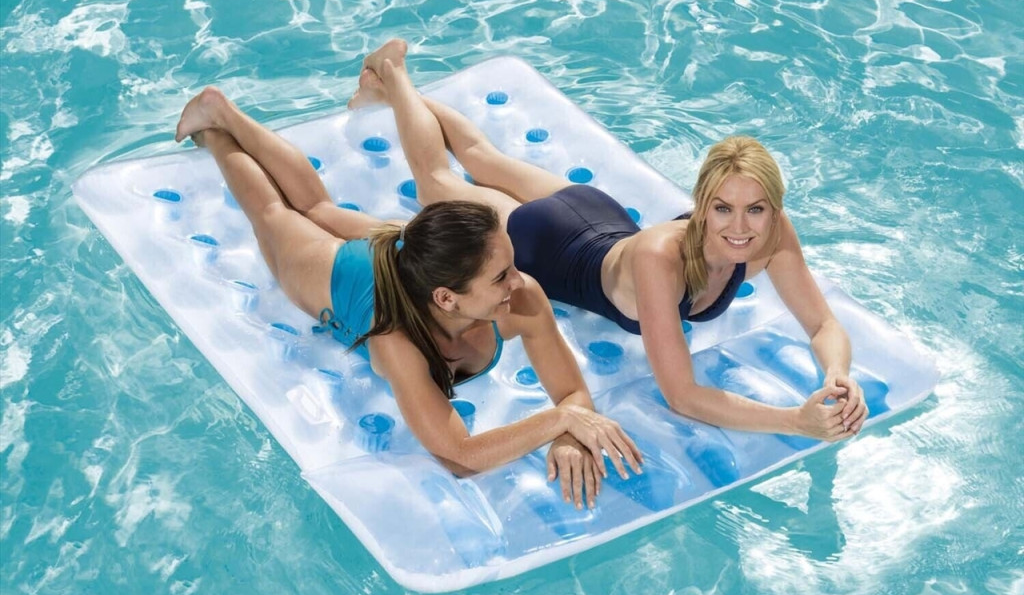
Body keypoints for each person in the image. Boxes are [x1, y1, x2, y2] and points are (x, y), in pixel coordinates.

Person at [348, 39, 868, 442]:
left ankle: (391, 89)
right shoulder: (661, 258)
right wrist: (794, 421)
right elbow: (682, 394)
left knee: (484, 159)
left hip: (598, 212)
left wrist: (837, 375)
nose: (739, 228)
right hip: (551, 243)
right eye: (722, 208)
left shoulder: (774, 235)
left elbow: (822, 324)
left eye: (755, 209)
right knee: (438, 183)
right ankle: (394, 73)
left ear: (773, 209)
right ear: (701, 203)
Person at [173, 86, 643, 510]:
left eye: (512, 266)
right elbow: (459, 454)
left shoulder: (518, 298)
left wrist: (570, 436)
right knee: (276, 212)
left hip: (412, 250)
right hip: (340, 276)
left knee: (321, 207)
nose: (520, 283)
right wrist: (560, 420)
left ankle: (223, 114)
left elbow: (571, 392)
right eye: (502, 276)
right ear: (448, 299)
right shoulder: (398, 342)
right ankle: (219, 128)